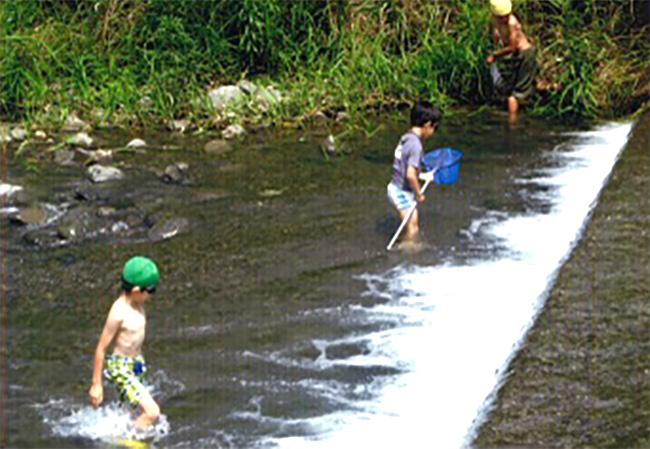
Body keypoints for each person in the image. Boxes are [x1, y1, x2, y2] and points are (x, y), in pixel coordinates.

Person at [89, 256, 161, 431]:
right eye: (150, 291)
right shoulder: (118, 312)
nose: (152, 295)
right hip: (120, 367)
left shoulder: (137, 304)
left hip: (135, 364)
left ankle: (123, 433)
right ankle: (127, 441)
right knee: (152, 412)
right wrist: (96, 384)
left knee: (129, 411)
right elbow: (101, 349)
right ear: (136, 290)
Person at [387, 101, 441, 244]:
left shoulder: (407, 137)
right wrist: (419, 194)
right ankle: (406, 257)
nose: (433, 133)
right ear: (427, 125)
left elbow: (406, 169)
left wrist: (423, 176)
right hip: (401, 192)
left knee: (410, 226)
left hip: (395, 187)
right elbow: (410, 175)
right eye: (434, 128)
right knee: (412, 229)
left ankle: (407, 253)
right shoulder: (416, 146)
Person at [486, 0, 537, 123]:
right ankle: (515, 115)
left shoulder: (512, 23)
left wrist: (494, 55)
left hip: (525, 55)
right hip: (515, 56)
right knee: (508, 89)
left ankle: (512, 123)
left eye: (506, 16)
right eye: (501, 17)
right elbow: (496, 34)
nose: (504, 19)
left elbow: (512, 47)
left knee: (515, 95)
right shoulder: (494, 20)